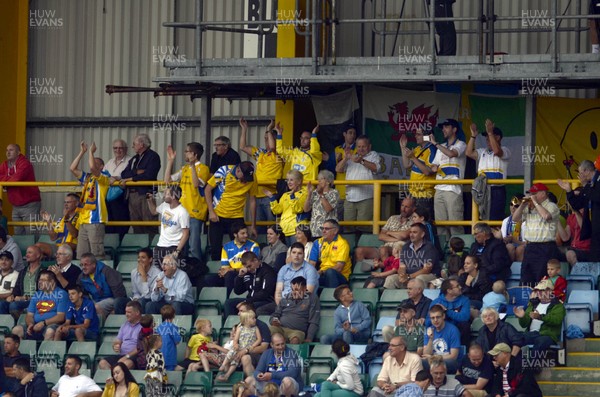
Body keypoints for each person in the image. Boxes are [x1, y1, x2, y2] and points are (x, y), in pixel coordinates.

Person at [164, 142, 210, 260]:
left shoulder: (203, 168)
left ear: (194, 154)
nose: (185, 153)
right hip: (182, 212)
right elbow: (167, 180)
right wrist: (170, 161)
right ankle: (185, 270)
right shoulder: (184, 169)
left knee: (194, 245)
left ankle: (197, 270)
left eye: (187, 151)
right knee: (182, 246)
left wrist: (193, 166)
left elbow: (196, 184)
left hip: (195, 212)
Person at [205, 162, 258, 260]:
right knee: (215, 248)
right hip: (218, 215)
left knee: (242, 247)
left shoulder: (252, 178)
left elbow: (252, 201)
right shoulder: (224, 171)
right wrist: (211, 211)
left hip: (237, 216)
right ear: (238, 170)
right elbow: (207, 190)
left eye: (247, 179)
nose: (245, 181)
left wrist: (253, 225)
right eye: (243, 179)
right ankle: (218, 272)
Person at [512, 183, 561, 285]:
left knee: (541, 278)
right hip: (530, 247)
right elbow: (515, 219)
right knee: (526, 277)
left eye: (534, 193)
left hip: (545, 247)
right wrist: (522, 205)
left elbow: (546, 216)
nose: (531, 196)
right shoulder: (530, 207)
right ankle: (527, 299)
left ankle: (539, 300)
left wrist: (535, 202)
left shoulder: (552, 206)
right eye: (531, 194)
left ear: (543, 193)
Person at [239, 118, 283, 230]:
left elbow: (273, 147)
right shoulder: (260, 153)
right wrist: (244, 129)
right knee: (259, 227)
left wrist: (269, 129)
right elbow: (243, 147)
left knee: (272, 227)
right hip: (257, 195)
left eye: (268, 138)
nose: (265, 141)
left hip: (271, 195)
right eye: (265, 138)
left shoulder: (280, 153)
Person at [69, 141, 110, 259]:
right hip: (83, 221)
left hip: (95, 221)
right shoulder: (87, 178)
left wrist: (91, 152)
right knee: (81, 255)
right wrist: (82, 152)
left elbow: (92, 167)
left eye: (94, 161)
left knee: (96, 255)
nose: (90, 163)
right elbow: (72, 168)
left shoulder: (104, 177)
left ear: (101, 166)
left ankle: (98, 277)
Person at [466, 119, 511, 221]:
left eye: (489, 136)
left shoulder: (505, 150)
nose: (487, 139)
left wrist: (490, 132)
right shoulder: (483, 151)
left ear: (498, 137)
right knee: (481, 217)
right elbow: (468, 153)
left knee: (494, 218)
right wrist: (473, 136)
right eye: (486, 137)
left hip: (496, 189)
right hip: (482, 189)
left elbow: (497, 151)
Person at [429, 118, 467, 236]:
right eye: (442, 127)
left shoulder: (461, 144)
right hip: (439, 188)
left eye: (446, 127)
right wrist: (433, 168)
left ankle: (458, 251)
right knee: (440, 226)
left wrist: (435, 143)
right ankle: (443, 253)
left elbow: (452, 153)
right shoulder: (442, 146)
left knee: (455, 225)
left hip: (453, 189)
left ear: (454, 129)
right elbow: (434, 165)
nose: (443, 130)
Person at [336, 135, 382, 232]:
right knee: (348, 228)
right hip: (350, 198)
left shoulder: (373, 155)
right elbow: (338, 169)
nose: (361, 149)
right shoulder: (352, 156)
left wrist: (361, 160)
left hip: (366, 197)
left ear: (369, 146)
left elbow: (376, 168)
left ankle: (362, 247)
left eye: (363, 146)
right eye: (359, 146)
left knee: (364, 228)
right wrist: (345, 158)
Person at [558, 158, 600, 262]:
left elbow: (597, 197)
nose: (580, 176)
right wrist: (569, 191)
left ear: (587, 171)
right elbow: (577, 204)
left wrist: (585, 185)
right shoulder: (589, 186)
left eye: (580, 172)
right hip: (594, 232)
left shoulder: (595, 183)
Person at [120, 133, 161, 235]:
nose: (132, 146)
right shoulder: (134, 158)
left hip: (145, 194)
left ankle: (151, 248)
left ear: (141, 144)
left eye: (134, 144)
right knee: (136, 224)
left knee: (149, 223)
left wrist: (131, 178)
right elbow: (123, 174)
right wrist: (137, 172)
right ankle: (139, 248)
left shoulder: (153, 156)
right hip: (132, 194)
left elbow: (149, 175)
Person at [354, 197, 416, 264]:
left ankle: (386, 271)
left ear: (413, 209)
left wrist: (388, 232)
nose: (403, 209)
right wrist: (397, 238)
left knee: (384, 250)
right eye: (402, 205)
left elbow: (404, 235)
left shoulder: (414, 220)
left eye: (407, 207)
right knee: (359, 251)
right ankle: (365, 271)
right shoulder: (392, 218)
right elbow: (381, 236)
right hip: (383, 248)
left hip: (401, 250)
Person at [11, 270, 68, 341]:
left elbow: (60, 317)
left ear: (52, 282)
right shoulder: (37, 294)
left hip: (51, 324)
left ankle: (46, 352)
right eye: (39, 280)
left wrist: (44, 323)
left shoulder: (62, 294)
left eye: (43, 280)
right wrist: (30, 324)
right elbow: (29, 315)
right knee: (16, 330)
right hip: (35, 325)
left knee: (50, 331)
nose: (40, 282)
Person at [0, 144, 41, 235]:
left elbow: (17, 178)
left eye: (11, 150)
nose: (8, 152)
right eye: (7, 150)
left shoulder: (25, 163)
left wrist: (6, 180)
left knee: (31, 234)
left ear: (18, 152)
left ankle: (33, 250)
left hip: (30, 205)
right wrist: (9, 180)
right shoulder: (4, 164)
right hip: (15, 205)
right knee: (18, 235)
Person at [384, 223, 441, 289]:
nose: (411, 235)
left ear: (422, 234)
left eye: (414, 232)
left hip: (429, 275)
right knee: (391, 279)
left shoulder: (429, 247)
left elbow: (426, 270)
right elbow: (402, 266)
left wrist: (409, 276)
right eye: (410, 232)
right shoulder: (405, 246)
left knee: (419, 279)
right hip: (409, 276)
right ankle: (390, 299)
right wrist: (402, 275)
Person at [515, 279, 565, 353]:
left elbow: (556, 320)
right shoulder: (533, 304)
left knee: (540, 341)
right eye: (537, 290)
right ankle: (513, 362)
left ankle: (532, 364)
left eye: (542, 290)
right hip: (531, 334)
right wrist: (522, 317)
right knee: (515, 338)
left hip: (547, 335)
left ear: (550, 291)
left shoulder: (558, 306)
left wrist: (540, 317)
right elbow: (523, 325)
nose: (539, 293)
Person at [147, 184, 190, 265]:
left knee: (170, 271)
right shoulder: (164, 205)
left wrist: (177, 251)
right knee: (157, 270)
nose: (164, 195)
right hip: (160, 245)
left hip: (173, 246)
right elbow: (153, 211)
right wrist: (149, 201)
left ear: (173, 196)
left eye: (166, 194)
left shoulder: (182, 212)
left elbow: (186, 234)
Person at [269, 276, 320, 344]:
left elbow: (314, 320)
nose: (294, 292)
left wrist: (309, 337)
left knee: (295, 340)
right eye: (293, 290)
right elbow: (275, 314)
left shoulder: (312, 298)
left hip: (297, 331)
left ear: (305, 288)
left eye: (297, 289)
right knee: (269, 331)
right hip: (280, 328)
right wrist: (274, 320)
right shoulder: (286, 298)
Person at [225, 251, 277, 317]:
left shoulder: (267, 271)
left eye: (250, 266)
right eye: (246, 267)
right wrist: (240, 276)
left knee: (247, 308)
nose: (248, 269)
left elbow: (265, 293)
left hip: (265, 301)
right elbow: (238, 291)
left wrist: (247, 302)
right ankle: (232, 325)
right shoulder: (248, 272)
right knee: (229, 303)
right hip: (250, 300)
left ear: (255, 260)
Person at [217, 310, 262, 382]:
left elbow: (259, 339)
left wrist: (252, 346)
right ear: (247, 320)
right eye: (253, 318)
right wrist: (235, 344)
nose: (255, 320)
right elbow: (235, 339)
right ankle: (223, 365)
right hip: (240, 348)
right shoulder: (240, 328)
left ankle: (227, 375)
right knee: (232, 352)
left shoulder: (255, 328)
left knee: (236, 359)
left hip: (247, 349)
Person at [77, 253, 127, 318]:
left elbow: (119, 293)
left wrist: (115, 309)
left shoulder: (107, 271)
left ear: (94, 264)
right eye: (81, 265)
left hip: (112, 299)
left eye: (86, 264)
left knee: (95, 307)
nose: (83, 267)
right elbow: (83, 294)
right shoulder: (82, 277)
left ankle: (102, 326)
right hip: (97, 300)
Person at [400, 129, 436, 215]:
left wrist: (412, 157)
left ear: (427, 136)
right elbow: (407, 165)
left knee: (423, 221)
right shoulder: (418, 148)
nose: (415, 136)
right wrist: (403, 147)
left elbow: (427, 172)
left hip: (425, 194)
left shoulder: (432, 149)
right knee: (412, 221)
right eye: (416, 134)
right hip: (413, 192)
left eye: (418, 134)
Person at [98, 300, 143, 370]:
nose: (126, 314)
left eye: (129, 312)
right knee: (102, 363)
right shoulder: (124, 325)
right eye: (126, 312)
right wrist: (116, 345)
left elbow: (141, 347)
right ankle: (114, 379)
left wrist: (127, 356)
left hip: (135, 357)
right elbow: (117, 341)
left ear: (137, 313)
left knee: (125, 364)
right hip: (122, 355)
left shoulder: (143, 326)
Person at [266, 170, 310, 241]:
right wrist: (272, 198)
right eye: (287, 180)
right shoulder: (285, 195)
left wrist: (292, 196)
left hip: (296, 231)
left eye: (291, 180)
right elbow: (277, 211)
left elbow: (298, 209)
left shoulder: (305, 194)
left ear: (299, 181)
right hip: (284, 230)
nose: (288, 182)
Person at [309, 219, 352, 288]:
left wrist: (322, 271)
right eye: (322, 228)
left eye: (327, 229)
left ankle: (330, 298)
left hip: (340, 276)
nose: (323, 231)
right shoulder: (318, 242)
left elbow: (339, 267)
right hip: (322, 274)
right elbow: (312, 263)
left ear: (335, 231)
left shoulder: (342, 244)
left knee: (330, 272)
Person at [428, 278, 471, 345]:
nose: (460, 287)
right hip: (441, 329)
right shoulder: (437, 302)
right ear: (449, 290)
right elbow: (428, 321)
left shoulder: (464, 300)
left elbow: (465, 317)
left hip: (459, 329)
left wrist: (447, 311)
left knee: (465, 325)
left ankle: (463, 351)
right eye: (457, 286)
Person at [103, 138, 131, 239]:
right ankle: (111, 244)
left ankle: (119, 244)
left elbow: (130, 175)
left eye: (120, 148)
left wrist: (116, 178)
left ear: (126, 149)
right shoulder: (109, 162)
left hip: (122, 196)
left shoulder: (130, 161)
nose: (118, 150)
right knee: (110, 222)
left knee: (121, 223)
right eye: (115, 148)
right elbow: (103, 175)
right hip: (108, 196)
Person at [37, 193, 80, 258]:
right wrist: (48, 221)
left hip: (74, 248)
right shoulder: (61, 219)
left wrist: (66, 219)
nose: (66, 204)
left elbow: (75, 234)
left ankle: (51, 257)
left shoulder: (80, 217)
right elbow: (53, 237)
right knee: (38, 246)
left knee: (65, 245)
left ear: (76, 203)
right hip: (60, 246)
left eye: (68, 202)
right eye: (65, 202)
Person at [6, 245, 43, 318]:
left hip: (35, 301)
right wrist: (12, 296)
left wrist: (25, 298)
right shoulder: (23, 272)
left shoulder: (44, 272)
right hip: (21, 300)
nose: (27, 255)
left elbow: (43, 293)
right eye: (26, 253)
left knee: (14, 305)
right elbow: (17, 287)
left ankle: (19, 324)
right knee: (2, 305)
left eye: (30, 252)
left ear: (38, 255)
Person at [422, 305, 460, 374]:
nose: (435, 320)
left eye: (438, 317)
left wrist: (433, 357)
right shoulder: (429, 330)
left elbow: (453, 356)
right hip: (432, 361)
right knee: (422, 361)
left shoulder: (453, 330)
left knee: (451, 362)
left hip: (446, 361)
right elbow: (425, 354)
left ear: (443, 316)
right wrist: (431, 339)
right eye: (432, 318)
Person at [558, 192, 591, 266]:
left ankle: (577, 274)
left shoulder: (589, 213)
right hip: (574, 248)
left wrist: (576, 210)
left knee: (570, 253)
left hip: (586, 249)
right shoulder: (571, 217)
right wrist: (556, 219)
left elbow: (584, 228)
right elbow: (565, 237)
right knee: (553, 251)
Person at [304, 170, 339, 238]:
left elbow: (328, 209)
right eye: (318, 179)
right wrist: (309, 194)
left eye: (321, 179)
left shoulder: (334, 193)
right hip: (315, 230)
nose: (319, 181)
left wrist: (321, 194)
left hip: (328, 231)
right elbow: (306, 209)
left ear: (328, 181)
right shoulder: (314, 193)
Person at [334, 125, 358, 220]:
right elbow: (336, 169)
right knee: (338, 220)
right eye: (350, 133)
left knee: (350, 222)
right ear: (344, 134)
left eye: (354, 133)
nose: (352, 135)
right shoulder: (338, 149)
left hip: (353, 191)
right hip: (340, 190)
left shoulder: (358, 149)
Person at [155, 304, 181, 371]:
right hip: (170, 357)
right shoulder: (172, 327)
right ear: (174, 315)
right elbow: (177, 340)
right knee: (169, 377)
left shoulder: (159, 327)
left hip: (159, 356)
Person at [500, 195, 526, 262]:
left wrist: (515, 241)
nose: (513, 208)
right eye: (511, 204)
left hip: (523, 246)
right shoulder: (505, 221)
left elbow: (527, 244)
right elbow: (504, 238)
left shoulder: (527, 221)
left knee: (520, 249)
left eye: (516, 206)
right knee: (509, 247)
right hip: (511, 245)